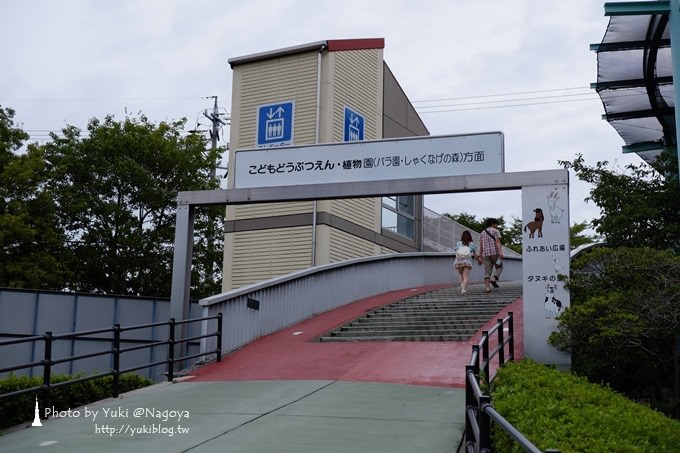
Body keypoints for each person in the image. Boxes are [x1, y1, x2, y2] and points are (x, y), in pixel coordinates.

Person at [477, 218, 503, 293]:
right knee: (499, 267)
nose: (497, 226)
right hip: (495, 253)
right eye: (496, 224)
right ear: (493, 224)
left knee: (487, 271)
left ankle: (487, 288)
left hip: (486, 254)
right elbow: (498, 242)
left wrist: (480, 256)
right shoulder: (495, 231)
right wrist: (501, 252)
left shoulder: (482, 233)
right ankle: (494, 278)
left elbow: (481, 245)